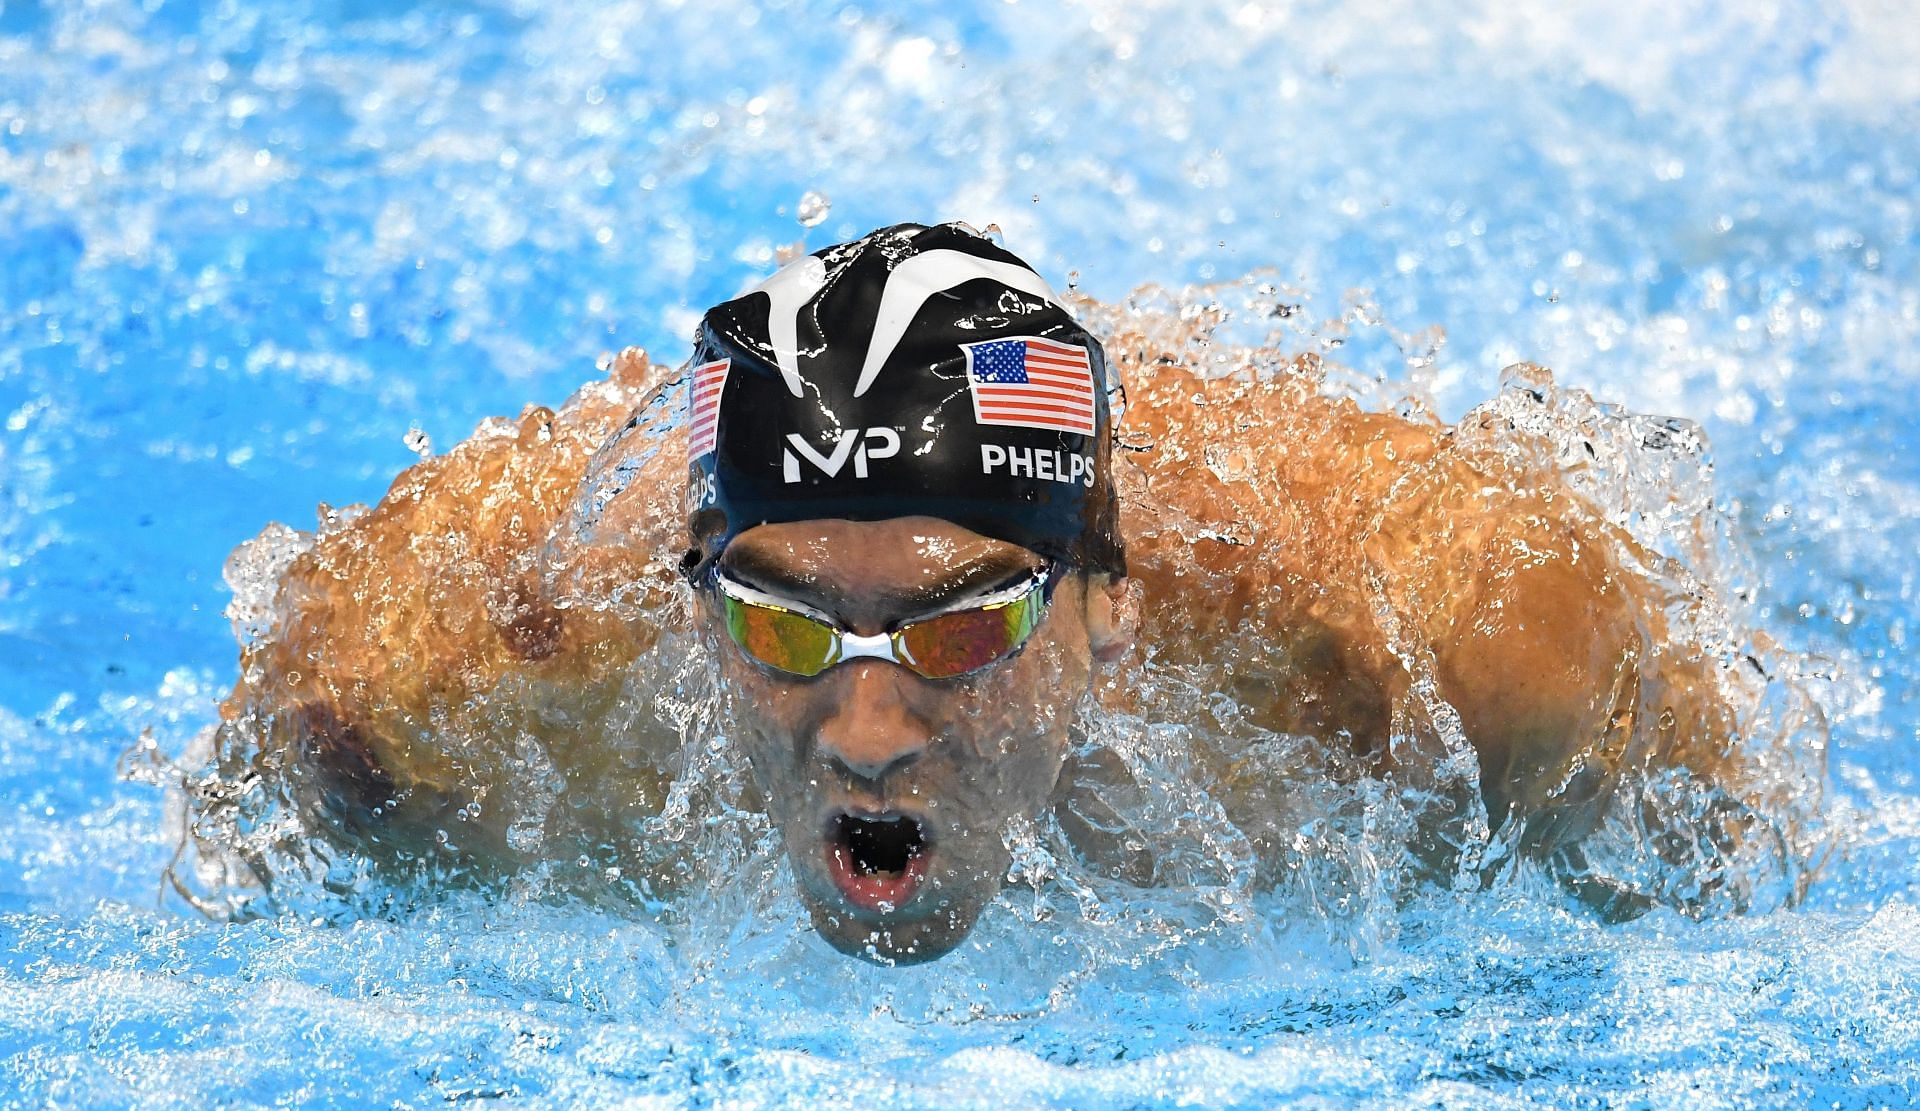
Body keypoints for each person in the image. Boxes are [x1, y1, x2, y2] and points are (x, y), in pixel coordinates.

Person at [182, 222, 1803, 962]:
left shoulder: (1442, 650)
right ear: (694, 601)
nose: (870, 727)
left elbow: (1730, 911)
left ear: (1111, 601)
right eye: (781, 623)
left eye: (959, 626)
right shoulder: (427, 702)